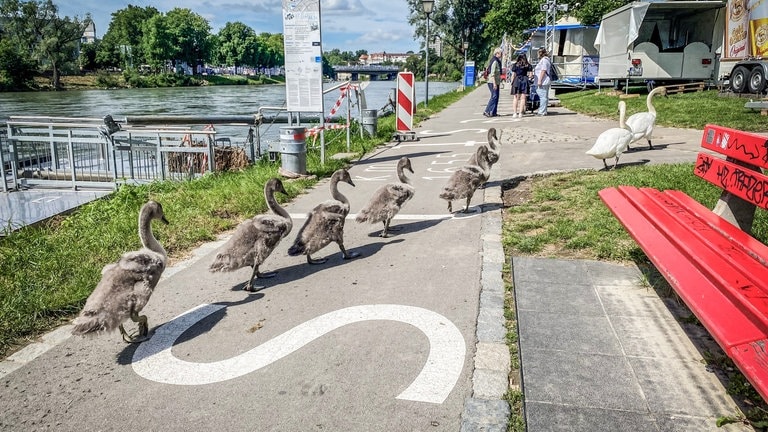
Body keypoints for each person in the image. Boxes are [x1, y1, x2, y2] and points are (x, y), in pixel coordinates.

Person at [483, 48, 502, 117]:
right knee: (494, 96)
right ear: (496, 53)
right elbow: (492, 73)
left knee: (496, 97)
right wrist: (494, 83)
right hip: (492, 82)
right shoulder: (494, 61)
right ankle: (487, 111)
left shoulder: (497, 61)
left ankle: (493, 112)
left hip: (496, 81)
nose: (501, 55)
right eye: (500, 53)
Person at [533, 48, 552, 116]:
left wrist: (539, 80)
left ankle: (542, 111)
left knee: (542, 96)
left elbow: (543, 70)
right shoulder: (546, 60)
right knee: (544, 96)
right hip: (545, 80)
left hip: (543, 81)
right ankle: (544, 110)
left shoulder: (544, 60)